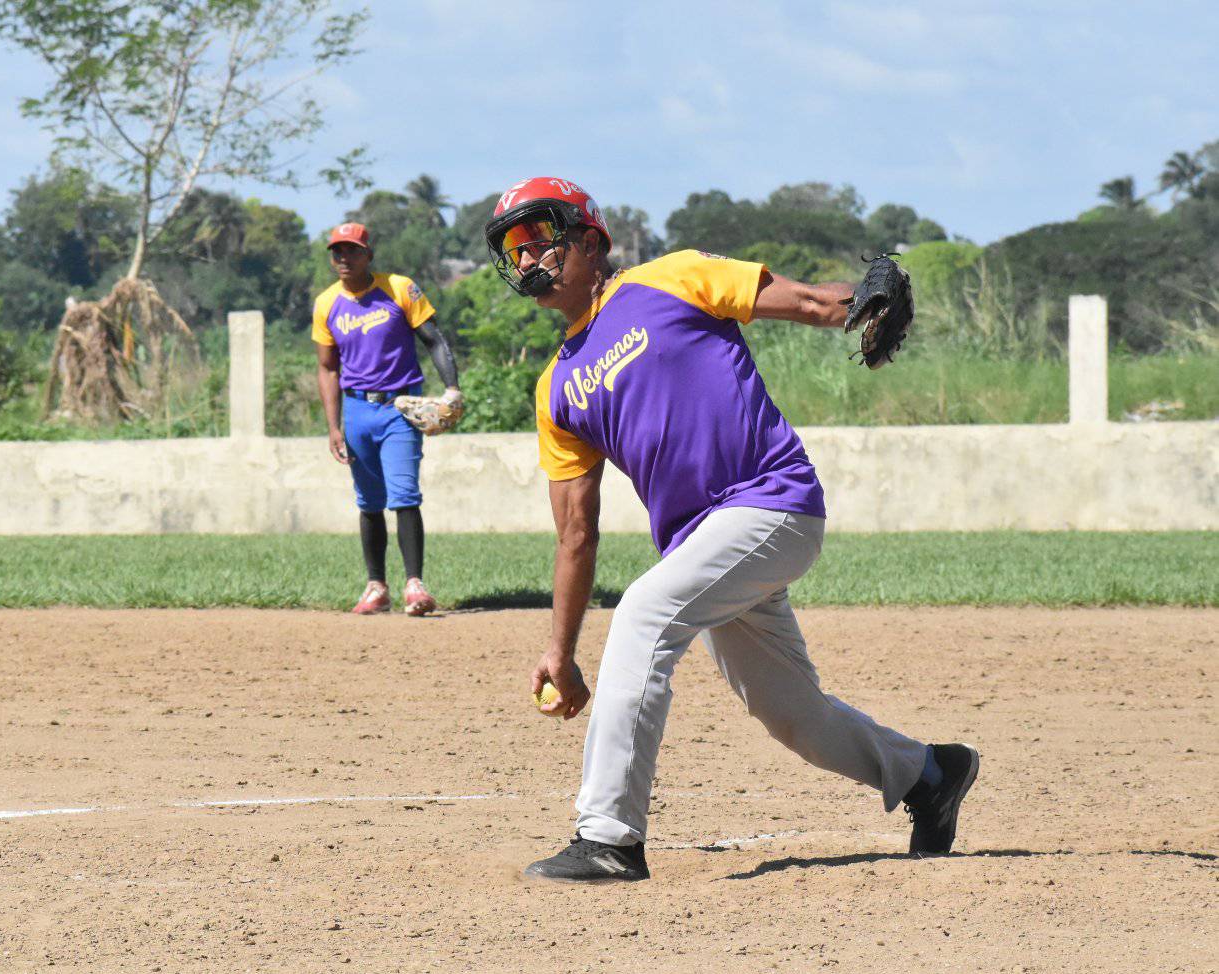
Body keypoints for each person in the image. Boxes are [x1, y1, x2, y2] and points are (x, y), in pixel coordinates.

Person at [482, 177, 979, 882]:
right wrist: (560, 654)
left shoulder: (672, 278)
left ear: (592, 240)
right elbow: (575, 536)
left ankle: (609, 838)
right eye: (513, 248)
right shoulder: (557, 387)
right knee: (792, 714)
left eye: (540, 239)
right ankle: (930, 774)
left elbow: (811, 300)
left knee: (644, 614)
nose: (527, 258)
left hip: (771, 503)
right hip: (706, 547)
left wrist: (867, 297)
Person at [313, 222, 462, 616]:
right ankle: (376, 587)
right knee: (369, 501)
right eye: (337, 252)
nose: (344, 258)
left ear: (368, 254)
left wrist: (452, 389)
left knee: (404, 494)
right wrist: (333, 425)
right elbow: (327, 369)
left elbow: (433, 338)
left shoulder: (398, 288)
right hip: (357, 409)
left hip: (400, 407)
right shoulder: (327, 303)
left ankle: (415, 584)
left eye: (352, 250)